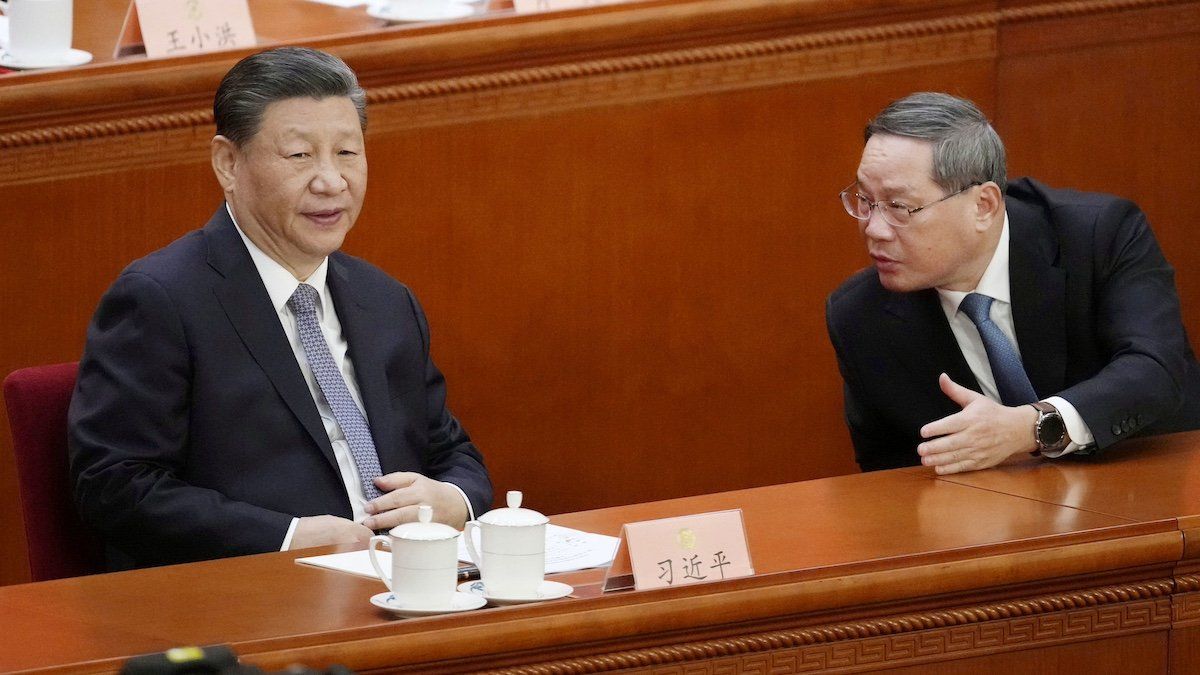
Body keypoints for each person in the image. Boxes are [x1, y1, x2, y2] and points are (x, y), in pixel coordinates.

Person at [68, 47, 492, 570]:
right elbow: (115, 486)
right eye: (299, 156)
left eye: (347, 153)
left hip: (405, 577)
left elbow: (450, 450)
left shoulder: (384, 299)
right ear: (228, 163)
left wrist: (456, 499)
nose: (331, 181)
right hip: (247, 593)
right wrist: (286, 537)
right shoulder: (162, 299)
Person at [825, 92, 1200, 474]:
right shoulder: (861, 317)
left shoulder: (1097, 237)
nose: (873, 229)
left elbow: (1155, 371)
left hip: (1153, 486)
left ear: (983, 206)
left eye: (899, 207)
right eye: (865, 201)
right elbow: (890, 473)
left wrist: (1030, 427)